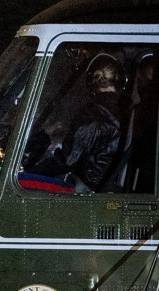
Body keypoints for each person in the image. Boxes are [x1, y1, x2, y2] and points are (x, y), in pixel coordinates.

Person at [24, 53, 127, 193]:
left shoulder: (92, 114)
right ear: (121, 81)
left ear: (91, 83)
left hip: (84, 189)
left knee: (21, 182)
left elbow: (68, 160)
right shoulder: (124, 112)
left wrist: (35, 171)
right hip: (102, 187)